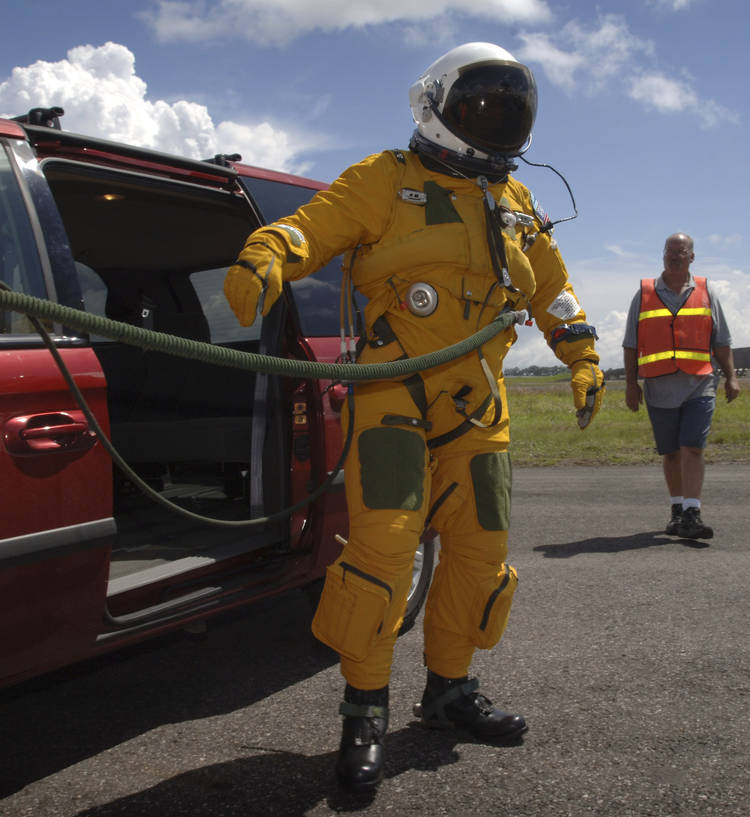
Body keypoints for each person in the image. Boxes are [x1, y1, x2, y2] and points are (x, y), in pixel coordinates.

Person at [222, 42, 603, 793]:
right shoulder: (382, 180)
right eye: (480, 104)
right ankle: (363, 712)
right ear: (434, 105)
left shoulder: (517, 205)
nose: (494, 119)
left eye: (507, 106)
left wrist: (582, 355)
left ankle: (449, 690)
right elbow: (311, 228)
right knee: (384, 555)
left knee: (478, 554)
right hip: (394, 395)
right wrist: (265, 255)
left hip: (479, 408)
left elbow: (553, 293)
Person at [622, 232, 738, 540]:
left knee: (693, 447)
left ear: (691, 257)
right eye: (669, 252)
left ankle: (692, 512)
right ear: (663, 255)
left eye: (681, 251)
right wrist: (631, 385)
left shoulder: (706, 291)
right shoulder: (644, 292)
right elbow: (631, 345)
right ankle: (677, 510)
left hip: (700, 383)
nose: (674, 256)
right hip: (660, 388)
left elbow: (722, 340)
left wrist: (731, 377)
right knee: (671, 452)